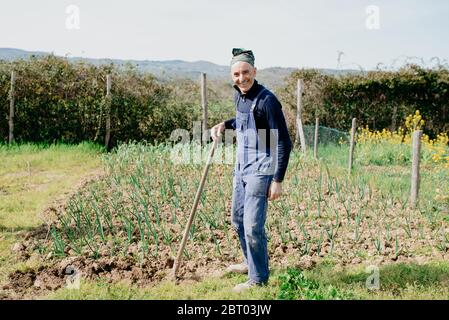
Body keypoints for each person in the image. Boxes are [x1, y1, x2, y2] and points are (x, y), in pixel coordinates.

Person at [211, 48, 292, 293]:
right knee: (237, 221)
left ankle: (258, 279)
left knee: (253, 226)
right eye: (236, 73)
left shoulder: (267, 101)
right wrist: (225, 124)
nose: (241, 78)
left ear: (254, 71)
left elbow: (283, 142)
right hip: (241, 167)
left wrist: (277, 179)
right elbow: (243, 121)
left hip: (261, 169)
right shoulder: (239, 96)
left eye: (245, 72)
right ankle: (250, 263)